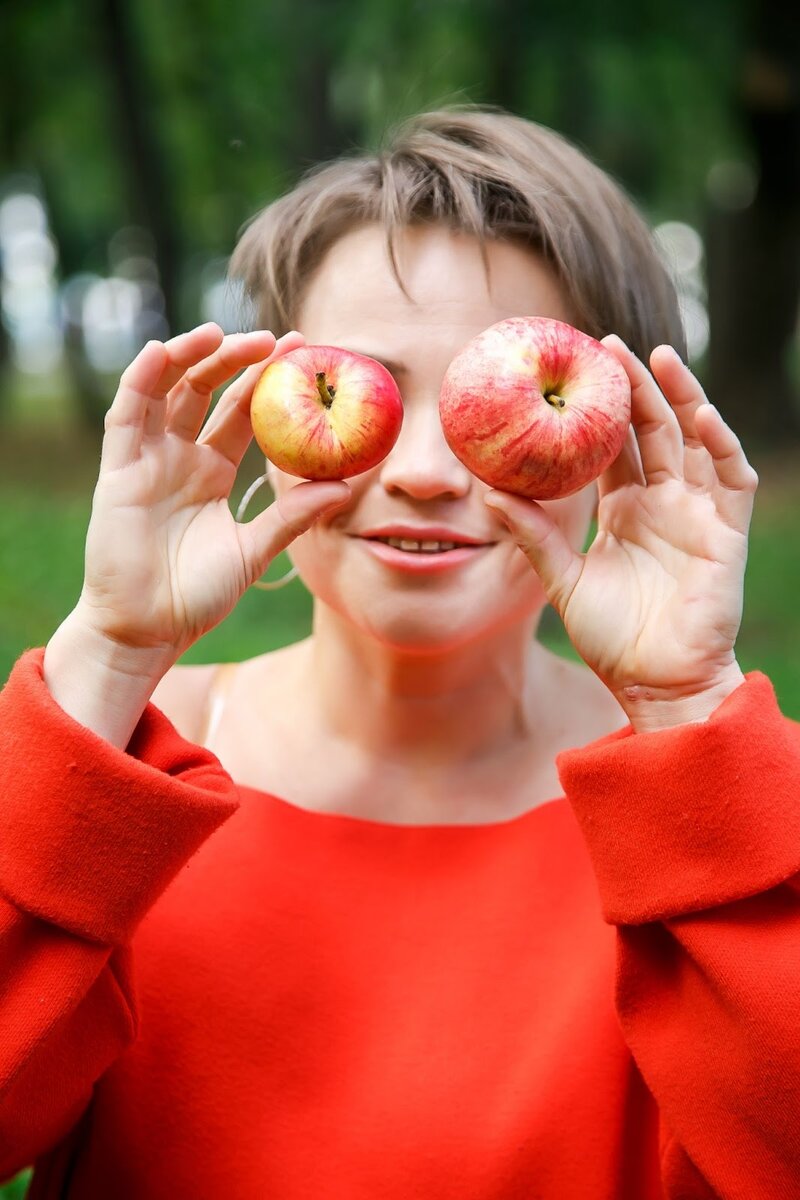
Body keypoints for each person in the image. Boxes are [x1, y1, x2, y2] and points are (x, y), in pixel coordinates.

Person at [0, 105, 798, 1199]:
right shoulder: (108, 767)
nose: (423, 468)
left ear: (620, 437)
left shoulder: (728, 798)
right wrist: (106, 655)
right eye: (362, 389)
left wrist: (684, 714)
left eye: (497, 397)